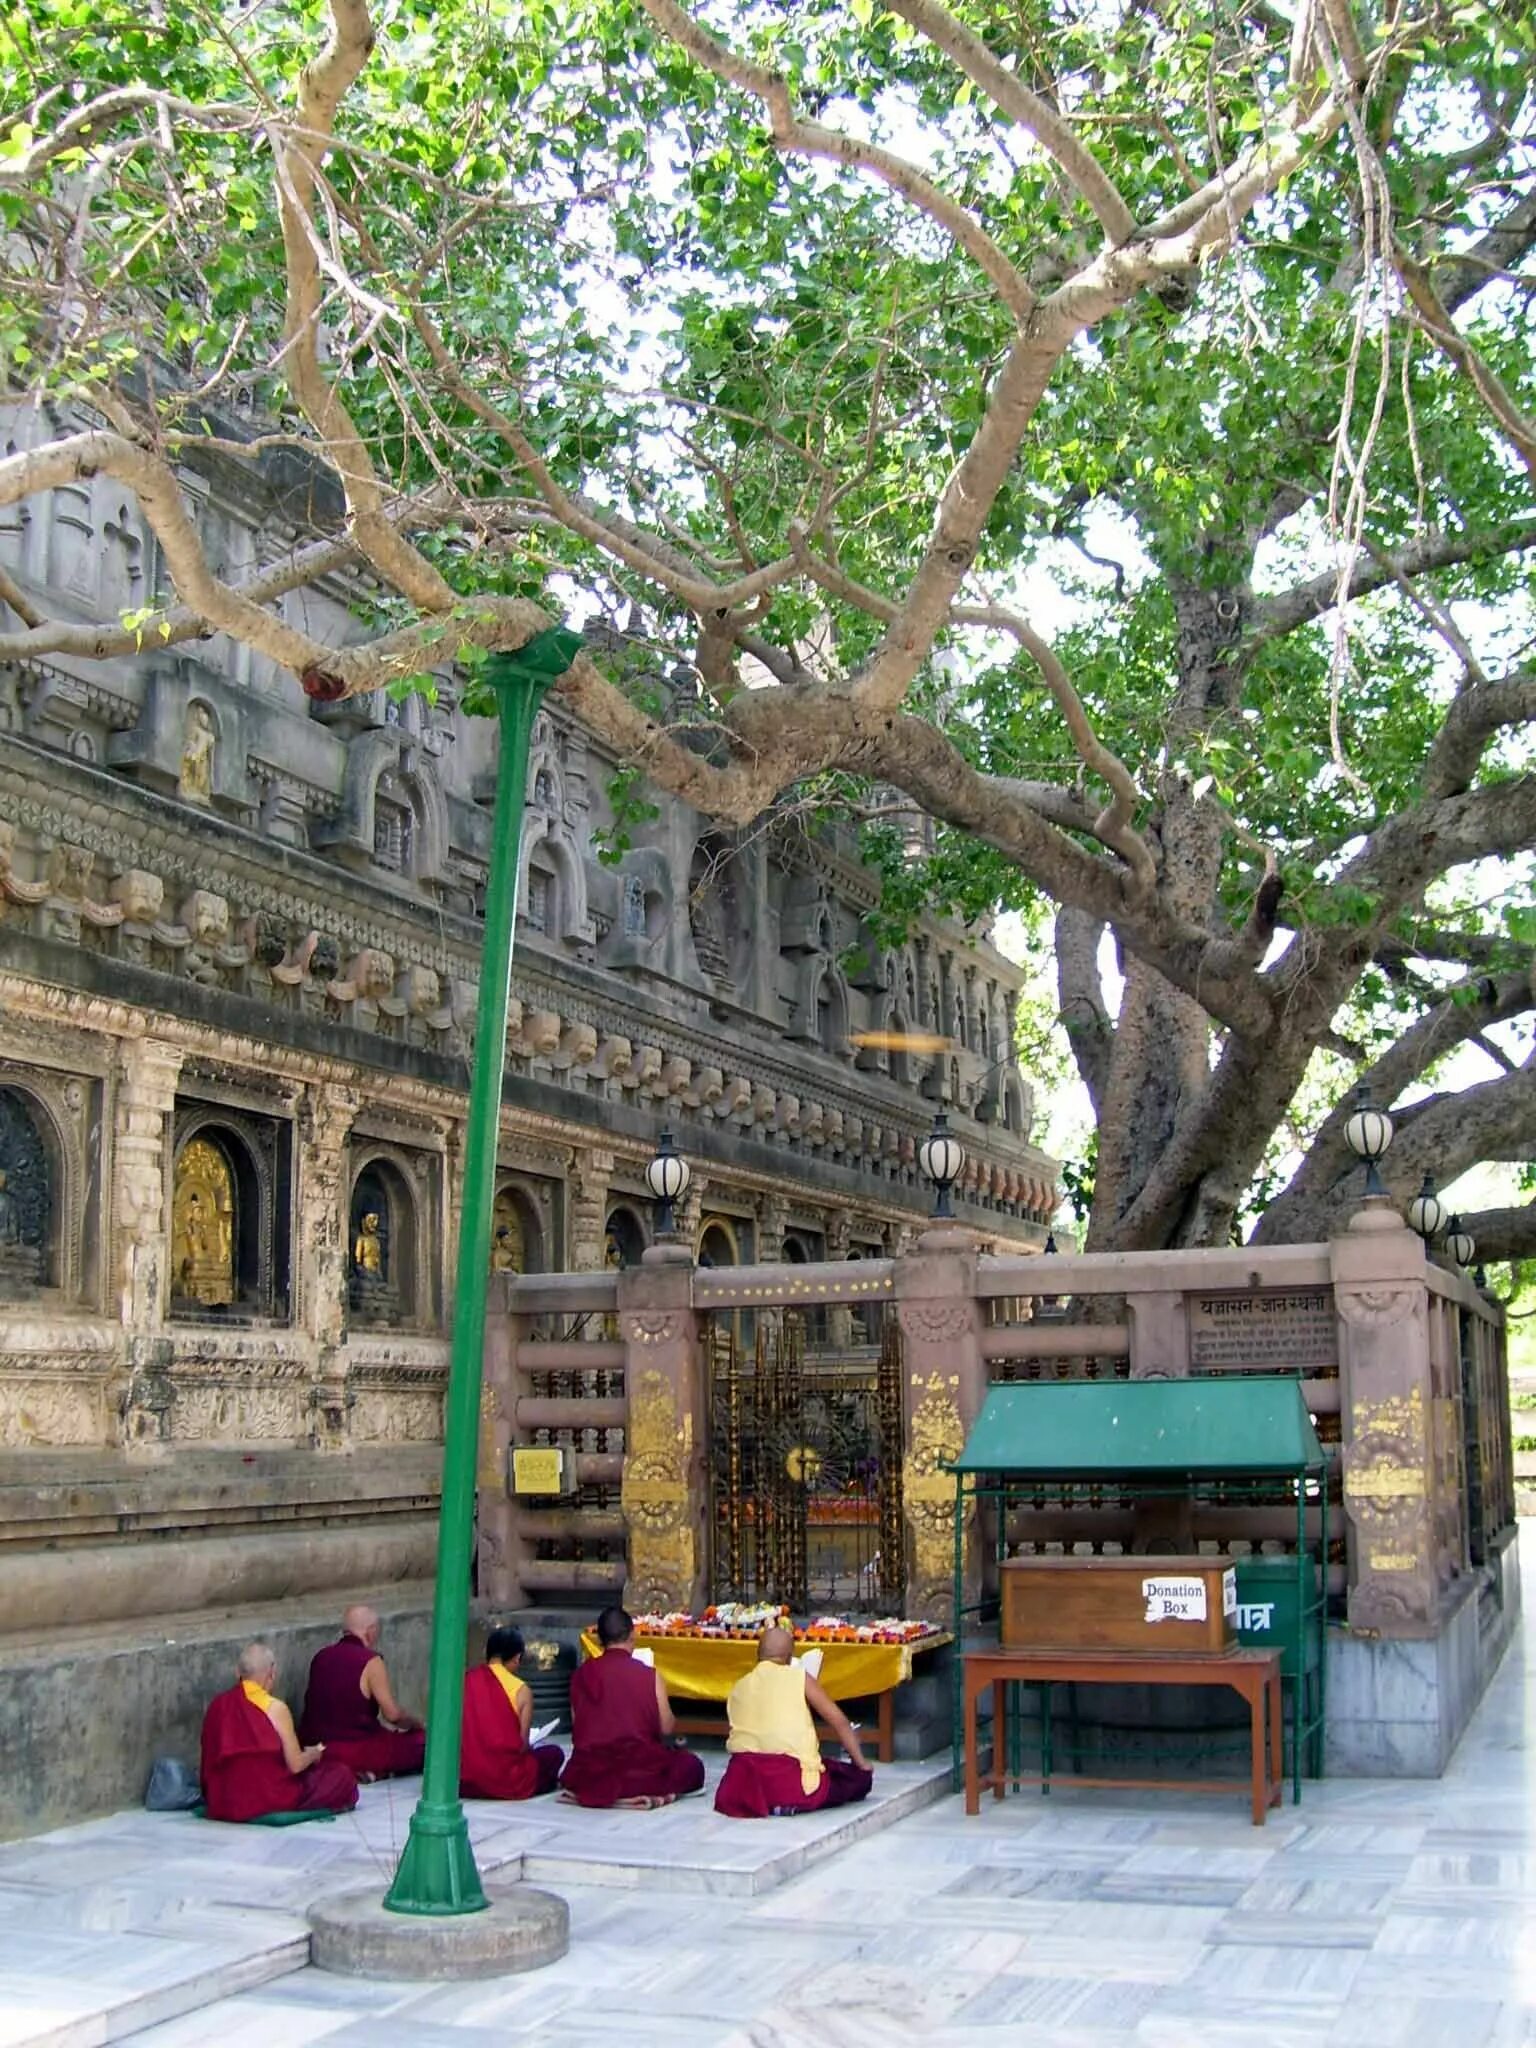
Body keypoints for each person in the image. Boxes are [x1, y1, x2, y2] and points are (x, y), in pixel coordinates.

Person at [714, 1625, 873, 1819]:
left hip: (743, 1782)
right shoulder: (799, 1676)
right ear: (790, 1658)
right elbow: (839, 1721)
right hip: (790, 1781)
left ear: (758, 1655)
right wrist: (862, 1764)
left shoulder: (739, 1686)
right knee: (856, 1780)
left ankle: (768, 1802)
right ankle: (786, 1803)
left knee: (827, 1767)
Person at [559, 1606, 706, 1810]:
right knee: (692, 1766)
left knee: (575, 1771)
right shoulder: (649, 1675)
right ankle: (631, 1797)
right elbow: (666, 1727)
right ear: (632, 1635)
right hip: (638, 1772)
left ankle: (598, 1794)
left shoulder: (581, 1675)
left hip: (590, 1774)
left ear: (600, 1640)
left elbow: (578, 1726)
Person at [200, 1642, 358, 1822]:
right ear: (272, 1674)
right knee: (341, 1775)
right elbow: (295, 1765)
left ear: (238, 1673)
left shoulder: (217, 1706)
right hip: (268, 1799)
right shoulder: (275, 1708)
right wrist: (313, 1754)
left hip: (222, 1801)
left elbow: (208, 1763)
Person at [299, 1604, 426, 1780]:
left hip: (316, 1749)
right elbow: (393, 1715)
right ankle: (367, 1770)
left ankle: (361, 1772)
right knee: (423, 1743)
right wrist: (416, 1724)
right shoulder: (371, 1661)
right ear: (371, 1630)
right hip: (356, 1749)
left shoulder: (321, 1656)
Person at [460, 1626, 564, 1800]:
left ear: (487, 1652)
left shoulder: (466, 1680)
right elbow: (522, 1745)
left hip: (466, 1780)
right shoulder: (521, 1690)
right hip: (505, 1778)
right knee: (554, 1754)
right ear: (517, 1658)